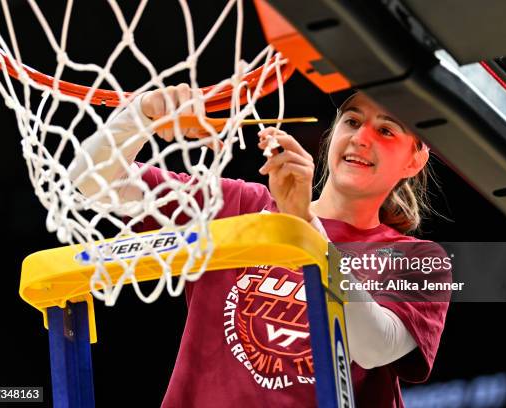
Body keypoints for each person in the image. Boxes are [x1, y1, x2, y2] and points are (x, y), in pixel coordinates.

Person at [70, 83, 449, 407]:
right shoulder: (240, 205)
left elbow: (373, 347)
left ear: (415, 159)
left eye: (386, 131)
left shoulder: (418, 260)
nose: (361, 137)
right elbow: (91, 184)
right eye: (351, 121)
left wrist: (304, 223)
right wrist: (141, 114)